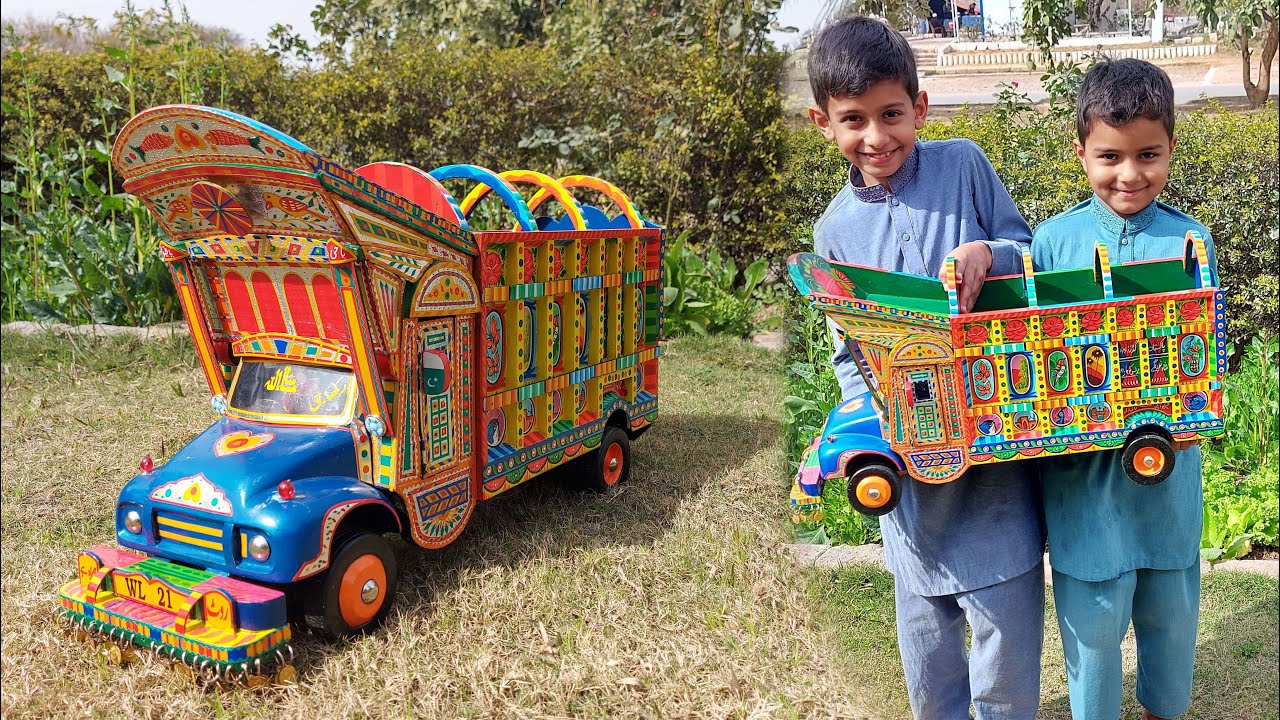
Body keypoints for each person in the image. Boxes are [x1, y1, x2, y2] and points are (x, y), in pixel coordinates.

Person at [806, 16, 1045, 719]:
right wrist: (874, 424)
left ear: (920, 107)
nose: (875, 137)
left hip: (990, 436)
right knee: (927, 640)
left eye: (891, 114)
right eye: (854, 120)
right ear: (823, 122)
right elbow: (847, 346)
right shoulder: (833, 230)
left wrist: (987, 253)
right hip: (909, 459)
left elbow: (1026, 248)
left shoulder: (963, 165)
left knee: (1005, 630)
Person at [1031, 58, 1217, 720]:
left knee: (1171, 613)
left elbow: (1205, 343)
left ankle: (1162, 708)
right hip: (1083, 480)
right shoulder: (1051, 243)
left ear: (1170, 148)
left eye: (1148, 155)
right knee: (1091, 625)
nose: (1129, 174)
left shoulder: (1191, 240)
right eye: (1110, 156)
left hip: (1166, 476)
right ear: (1080, 151)